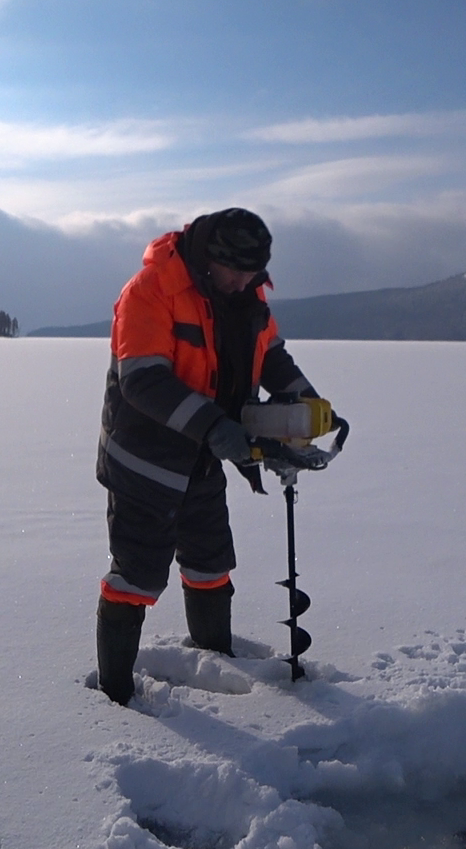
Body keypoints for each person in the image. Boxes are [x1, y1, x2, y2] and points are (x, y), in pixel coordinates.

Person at [94, 207, 324, 706]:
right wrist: (215, 424)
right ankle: (114, 695)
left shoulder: (245, 296)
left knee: (210, 561)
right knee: (136, 575)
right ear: (209, 261)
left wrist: (309, 406)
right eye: (237, 273)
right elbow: (142, 380)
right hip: (143, 461)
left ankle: (214, 656)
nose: (246, 284)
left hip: (201, 458)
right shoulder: (152, 290)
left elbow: (273, 357)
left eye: (254, 275)